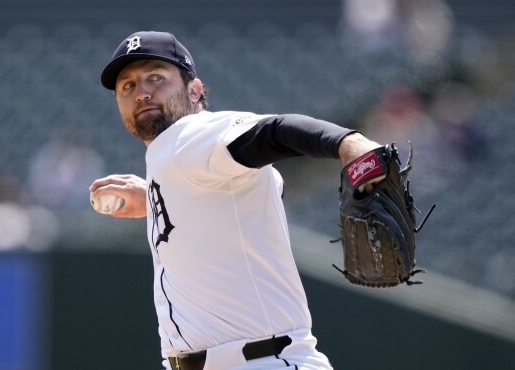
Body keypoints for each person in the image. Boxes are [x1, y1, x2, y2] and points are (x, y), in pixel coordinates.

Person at [89, 31, 382, 370]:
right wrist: (158, 199)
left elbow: (274, 131)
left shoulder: (188, 135)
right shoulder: (181, 162)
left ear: (194, 90)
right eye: (127, 86)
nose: (141, 92)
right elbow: (231, 204)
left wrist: (349, 144)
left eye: (156, 77)